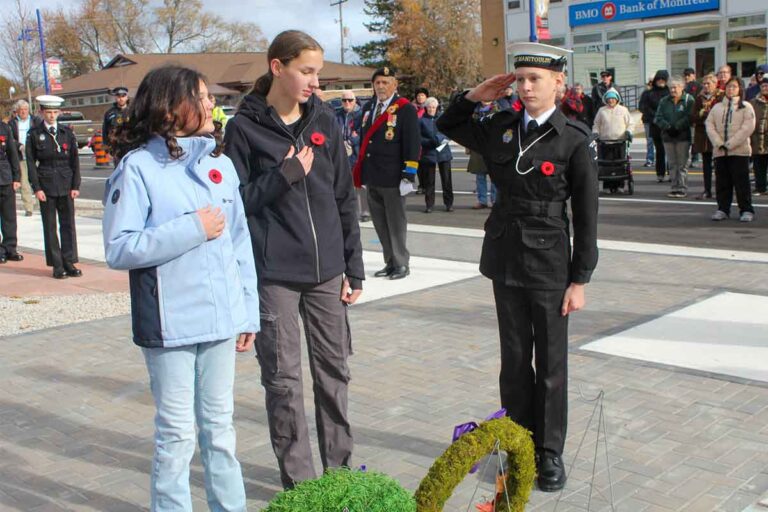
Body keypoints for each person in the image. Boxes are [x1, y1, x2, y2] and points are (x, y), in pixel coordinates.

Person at [438, 42, 599, 493]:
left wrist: (580, 279)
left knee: (549, 364)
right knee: (513, 360)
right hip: (505, 257)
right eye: (521, 79)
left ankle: (548, 453)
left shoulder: (574, 138)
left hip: (550, 264)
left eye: (536, 80)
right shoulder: (502, 127)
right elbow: (447, 123)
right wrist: (477, 95)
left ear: (558, 83)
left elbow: (587, 217)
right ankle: (518, 440)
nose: (526, 88)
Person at [102, 66, 258, 512]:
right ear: (171, 108)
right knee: (177, 435)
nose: (212, 105)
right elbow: (120, 247)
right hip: (170, 324)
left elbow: (240, 243)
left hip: (221, 321)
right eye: (203, 96)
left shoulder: (220, 165)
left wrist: (246, 311)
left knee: (221, 432)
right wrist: (192, 228)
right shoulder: (138, 169)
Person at [223, 30, 365, 489]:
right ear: (277, 67)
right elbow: (237, 202)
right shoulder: (243, 129)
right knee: (283, 382)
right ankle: (300, 485)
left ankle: (339, 477)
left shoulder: (324, 117)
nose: (314, 81)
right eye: (306, 71)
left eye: (317, 72)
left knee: (334, 375)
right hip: (275, 277)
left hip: (327, 273)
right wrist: (284, 175)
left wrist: (353, 266)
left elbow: (345, 197)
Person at [353, 65, 420, 280]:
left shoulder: (405, 109)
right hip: (373, 175)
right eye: (377, 82)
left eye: (385, 82)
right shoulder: (368, 108)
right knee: (380, 223)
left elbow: (412, 144)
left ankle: (401, 263)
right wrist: (362, 173)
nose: (381, 86)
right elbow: (365, 142)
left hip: (394, 177)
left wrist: (408, 175)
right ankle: (390, 262)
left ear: (394, 85)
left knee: (396, 224)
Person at [26, 95, 81, 279]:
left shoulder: (66, 132)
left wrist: (76, 185)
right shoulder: (34, 134)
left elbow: (74, 160)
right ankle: (57, 265)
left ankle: (69, 261)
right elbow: (31, 164)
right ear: (41, 112)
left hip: (66, 183)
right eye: (48, 112)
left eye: (54, 112)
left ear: (58, 113)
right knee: (50, 227)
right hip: (46, 184)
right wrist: (36, 188)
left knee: (68, 226)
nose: (51, 116)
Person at [706, 77, 756, 222]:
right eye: (728, 87)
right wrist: (718, 142)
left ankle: (746, 210)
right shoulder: (717, 107)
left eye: (734, 87)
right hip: (720, 152)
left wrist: (730, 144)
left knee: (742, 183)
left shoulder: (746, 107)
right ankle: (723, 209)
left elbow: (747, 128)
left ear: (740, 89)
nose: (731, 89)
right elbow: (710, 125)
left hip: (739, 152)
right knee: (722, 183)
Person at [654, 76, 694, 198]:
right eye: (671, 87)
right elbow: (658, 117)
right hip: (668, 137)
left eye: (675, 87)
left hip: (683, 136)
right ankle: (674, 187)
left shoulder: (688, 99)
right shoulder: (664, 101)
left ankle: (682, 187)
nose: (673, 90)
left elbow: (689, 116)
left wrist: (677, 126)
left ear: (682, 87)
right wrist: (668, 127)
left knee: (682, 164)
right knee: (672, 164)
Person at [335, 91, 369, 221]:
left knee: (360, 184)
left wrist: (351, 141)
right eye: (344, 100)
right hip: (342, 152)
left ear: (355, 100)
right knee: (345, 184)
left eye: (350, 100)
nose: (347, 103)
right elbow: (334, 131)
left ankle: (364, 212)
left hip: (357, 152)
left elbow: (363, 132)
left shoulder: (361, 115)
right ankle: (351, 212)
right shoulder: (337, 115)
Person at [418, 97, 453, 213]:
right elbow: (418, 137)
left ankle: (449, 204)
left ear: (436, 107)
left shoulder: (442, 118)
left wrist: (438, 139)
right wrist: (429, 142)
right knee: (429, 182)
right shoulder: (421, 121)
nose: (432, 109)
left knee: (447, 180)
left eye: (433, 107)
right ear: (426, 108)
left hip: (443, 151)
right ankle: (429, 205)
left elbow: (448, 133)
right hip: (429, 153)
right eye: (429, 107)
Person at [691, 73, 723, 199]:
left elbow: (721, 115)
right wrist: (703, 115)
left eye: (708, 83)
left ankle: (721, 190)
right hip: (703, 135)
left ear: (715, 84)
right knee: (706, 165)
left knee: (720, 166)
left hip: (717, 135)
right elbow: (693, 116)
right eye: (704, 84)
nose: (705, 86)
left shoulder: (720, 97)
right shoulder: (699, 98)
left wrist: (708, 116)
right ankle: (707, 190)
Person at [8, 99, 41, 216]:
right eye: (21, 110)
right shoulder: (12, 123)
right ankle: (29, 208)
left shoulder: (35, 121)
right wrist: (19, 145)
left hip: (35, 155)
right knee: (24, 182)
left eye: (25, 109)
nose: (23, 112)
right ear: (17, 111)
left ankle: (42, 203)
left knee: (40, 180)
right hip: (21, 156)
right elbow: (10, 139)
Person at [0, 119, 23, 264]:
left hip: (5, 177)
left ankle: (10, 248)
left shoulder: (4, 128)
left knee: (9, 216)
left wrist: (16, 177)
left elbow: (12, 154)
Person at [644, 70, 670, 182]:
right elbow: (643, 107)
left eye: (663, 79)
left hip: (669, 125)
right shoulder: (649, 93)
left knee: (670, 151)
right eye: (658, 79)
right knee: (659, 151)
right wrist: (655, 117)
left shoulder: (670, 92)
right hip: (655, 125)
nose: (660, 82)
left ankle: (671, 173)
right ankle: (660, 173)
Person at [749, 76, 768, 196]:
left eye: (767, 86)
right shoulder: (753, 102)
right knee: (758, 165)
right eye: (763, 86)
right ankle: (760, 187)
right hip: (756, 138)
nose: (765, 88)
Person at [102, 86, 130, 161]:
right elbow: (105, 132)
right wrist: (107, 150)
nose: (121, 98)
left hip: (131, 147)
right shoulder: (109, 113)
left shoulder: (134, 111)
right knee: (119, 171)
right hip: (117, 148)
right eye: (118, 96)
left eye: (123, 96)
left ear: (127, 97)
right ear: (115, 97)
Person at [637, 78, 656, 167]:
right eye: (650, 82)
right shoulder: (645, 93)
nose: (651, 84)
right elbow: (641, 106)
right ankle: (650, 159)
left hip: (659, 120)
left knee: (661, 142)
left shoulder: (661, 93)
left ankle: (664, 161)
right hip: (648, 120)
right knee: (650, 140)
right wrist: (648, 112)